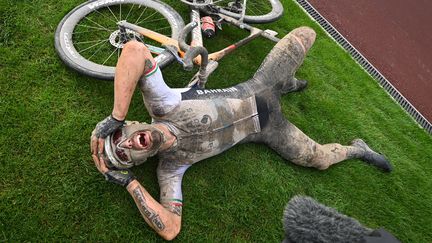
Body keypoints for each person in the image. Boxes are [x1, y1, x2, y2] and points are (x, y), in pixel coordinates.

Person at [90, 27, 392, 240]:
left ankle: (284, 84)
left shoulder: (161, 104)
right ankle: (358, 149)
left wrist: (112, 118)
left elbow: (134, 50)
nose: (127, 143)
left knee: (305, 34)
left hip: (260, 85)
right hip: (269, 130)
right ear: (140, 161)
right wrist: (128, 183)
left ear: (130, 124)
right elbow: (171, 228)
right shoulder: (171, 168)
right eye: (125, 154)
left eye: (120, 137)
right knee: (320, 160)